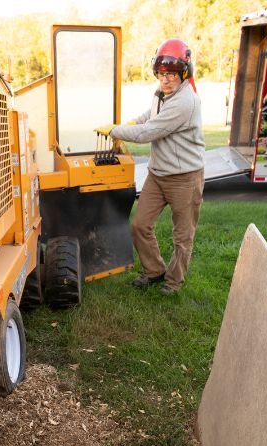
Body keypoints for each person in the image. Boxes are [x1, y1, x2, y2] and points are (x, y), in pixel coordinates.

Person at [95, 39, 205, 295]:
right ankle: (155, 270)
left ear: (185, 73)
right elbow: (150, 115)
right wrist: (133, 121)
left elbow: (150, 131)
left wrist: (116, 130)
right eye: (162, 74)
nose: (165, 80)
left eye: (172, 75)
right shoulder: (162, 93)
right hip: (158, 174)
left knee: (182, 237)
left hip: (184, 179)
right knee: (139, 225)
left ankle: (173, 283)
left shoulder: (186, 102)